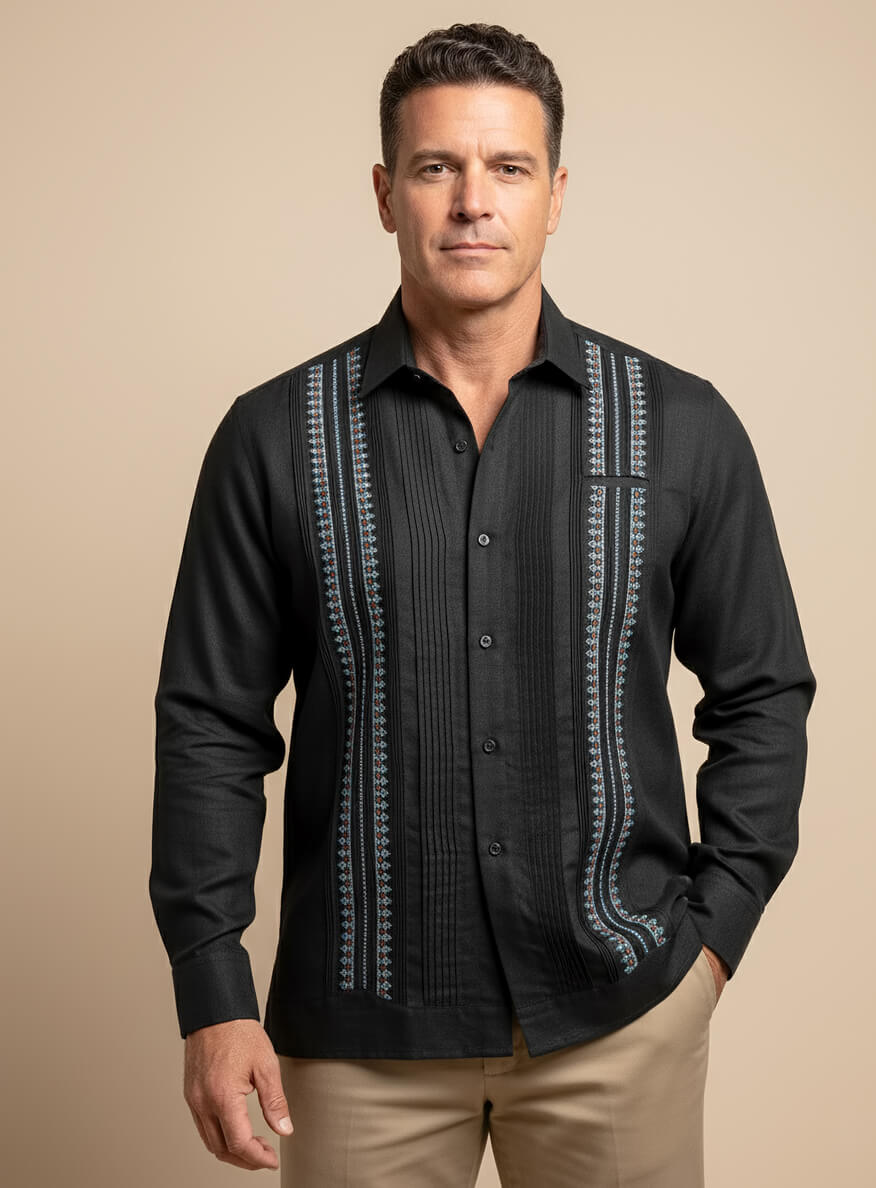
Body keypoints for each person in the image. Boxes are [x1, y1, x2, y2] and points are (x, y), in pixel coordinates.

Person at [149, 21, 817, 1187]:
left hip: (620, 1017)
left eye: (506, 168)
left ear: (554, 195)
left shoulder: (681, 427)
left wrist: (710, 943)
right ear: (383, 193)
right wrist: (211, 988)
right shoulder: (273, 438)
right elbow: (210, 723)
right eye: (434, 168)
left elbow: (762, 691)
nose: (471, 201)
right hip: (359, 1035)